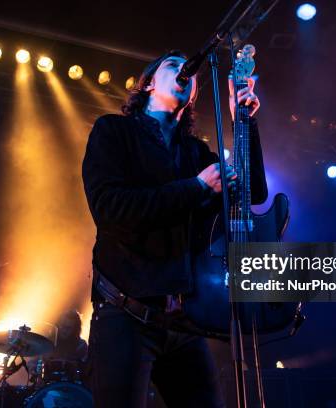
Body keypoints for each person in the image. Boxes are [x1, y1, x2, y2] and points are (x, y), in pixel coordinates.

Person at [82, 50, 266, 407]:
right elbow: (110, 209)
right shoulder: (114, 131)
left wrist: (244, 121)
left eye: (189, 72)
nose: (184, 70)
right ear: (149, 83)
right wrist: (194, 188)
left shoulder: (197, 154)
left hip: (182, 321)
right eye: (171, 65)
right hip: (126, 313)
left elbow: (251, 193)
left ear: (194, 95)